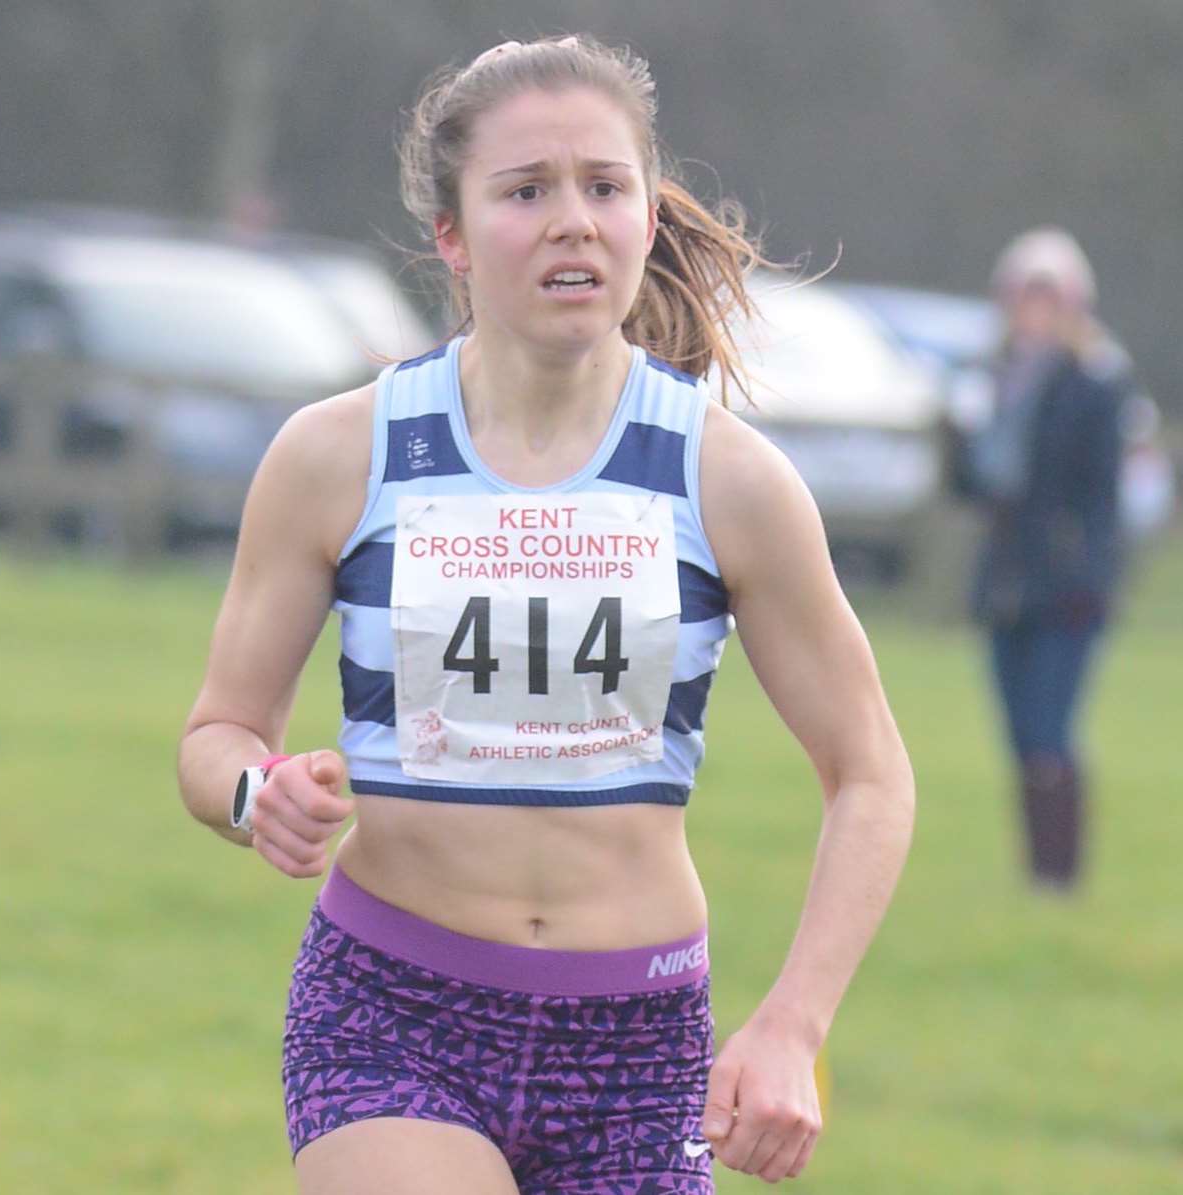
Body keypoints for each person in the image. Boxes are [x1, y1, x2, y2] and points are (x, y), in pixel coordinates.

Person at [176, 35, 914, 1194]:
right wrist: (252, 793)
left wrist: (792, 1026)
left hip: (636, 1043)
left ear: (643, 218)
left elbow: (869, 773)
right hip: (390, 1013)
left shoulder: (729, 480)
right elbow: (214, 735)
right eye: (526, 191)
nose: (573, 220)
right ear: (454, 238)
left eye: (604, 187)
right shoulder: (337, 455)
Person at [956, 226, 1126, 893]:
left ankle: (1059, 874)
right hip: (1004, 584)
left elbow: (1101, 498)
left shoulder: (1094, 384)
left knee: (1050, 729)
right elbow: (971, 486)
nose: (1034, 309)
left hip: (1065, 588)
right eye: (1024, 295)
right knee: (1018, 732)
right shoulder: (987, 383)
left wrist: (1091, 574)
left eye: (1046, 296)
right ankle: (1037, 871)